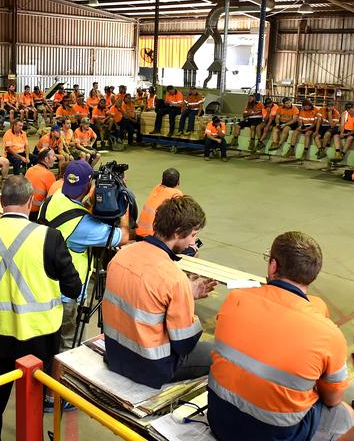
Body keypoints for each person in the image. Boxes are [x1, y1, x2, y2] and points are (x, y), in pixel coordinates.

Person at [0, 176, 82, 441]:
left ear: (1, 202)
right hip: (37, 340)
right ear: (30, 201)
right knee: (32, 408)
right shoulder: (49, 237)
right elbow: (73, 288)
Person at [208, 231, 353, 441]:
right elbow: (332, 399)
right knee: (344, 415)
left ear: (274, 265)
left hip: (219, 421)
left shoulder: (235, 299)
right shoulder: (329, 334)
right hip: (275, 436)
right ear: (312, 274)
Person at [103, 195, 216, 389]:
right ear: (178, 232)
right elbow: (184, 344)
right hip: (151, 367)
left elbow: (143, 295)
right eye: (193, 235)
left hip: (115, 355)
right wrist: (186, 298)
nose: (193, 244)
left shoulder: (121, 256)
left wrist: (184, 293)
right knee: (219, 355)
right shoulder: (174, 278)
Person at [39, 160, 129, 351]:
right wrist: (122, 202)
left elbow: (74, 209)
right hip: (68, 294)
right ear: (89, 184)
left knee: (49, 340)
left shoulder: (53, 200)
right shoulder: (84, 226)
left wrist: (90, 198)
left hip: (46, 284)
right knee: (67, 345)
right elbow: (124, 236)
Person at [136, 168, 183, 237]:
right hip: (152, 236)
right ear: (178, 182)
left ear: (162, 181)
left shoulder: (157, 187)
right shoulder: (176, 194)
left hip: (139, 232)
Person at [25, 148, 57, 221]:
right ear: (46, 159)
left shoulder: (29, 170)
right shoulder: (49, 175)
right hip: (38, 213)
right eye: (53, 156)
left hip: (26, 210)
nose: (55, 158)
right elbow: (54, 198)